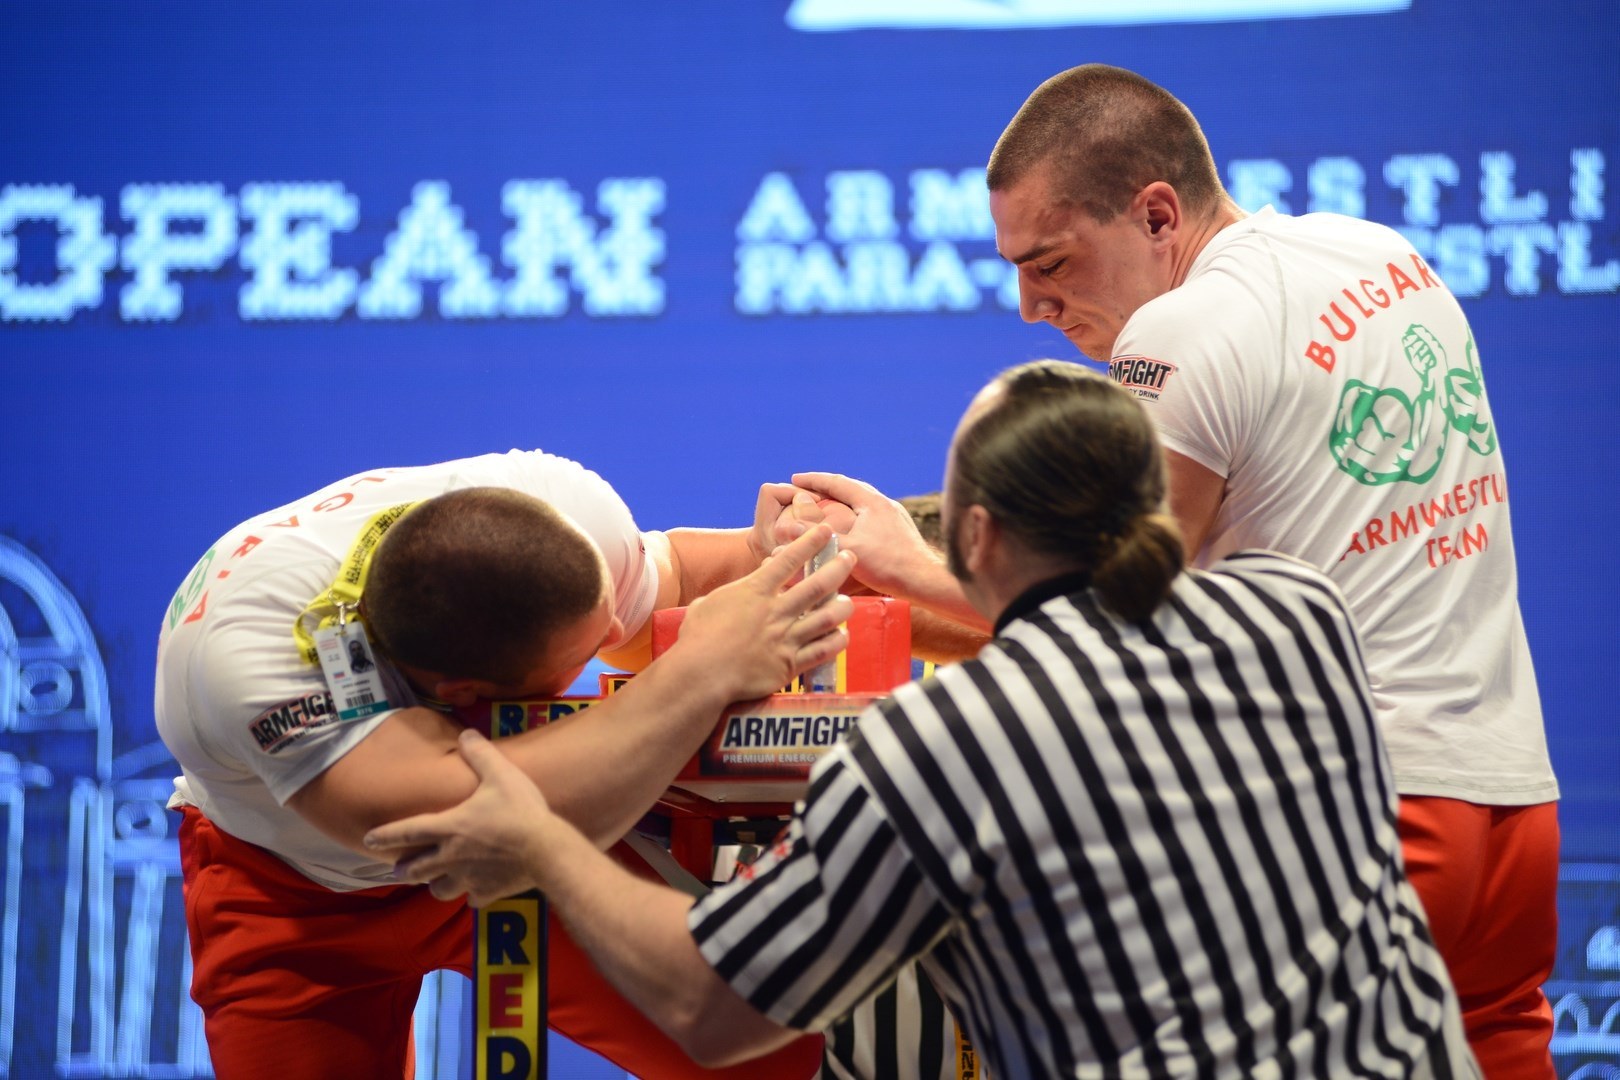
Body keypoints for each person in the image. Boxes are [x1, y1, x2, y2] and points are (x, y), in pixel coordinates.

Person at [368, 363, 1479, 1079]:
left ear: (978, 535)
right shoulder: (1300, 610)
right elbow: (1119, 621)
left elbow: (707, 1006)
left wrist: (542, 841)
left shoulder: (935, 748)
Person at [789, 64, 1559, 1079]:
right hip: (1513, 812)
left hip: (1366, 813)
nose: (1030, 305)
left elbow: (1110, 639)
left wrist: (905, 566)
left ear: (1157, 214)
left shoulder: (1180, 331)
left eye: (1052, 261)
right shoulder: (1382, 255)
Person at [154, 447, 853, 1079]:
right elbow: (463, 818)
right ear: (465, 696)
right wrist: (700, 672)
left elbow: (661, 601)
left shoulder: (562, 514)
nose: (613, 635)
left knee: (776, 1054)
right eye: (581, 656)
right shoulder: (251, 662)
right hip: (291, 891)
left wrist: (768, 551)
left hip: (521, 820)